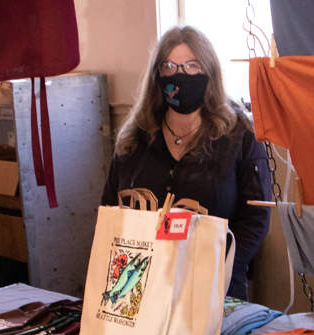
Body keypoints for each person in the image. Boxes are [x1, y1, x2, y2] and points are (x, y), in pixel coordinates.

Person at [101, 25, 272, 301]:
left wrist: (219, 268)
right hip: (142, 290)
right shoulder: (133, 139)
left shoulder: (239, 135)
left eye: (192, 66)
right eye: (169, 67)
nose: (180, 76)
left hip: (215, 291)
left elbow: (256, 218)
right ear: (157, 75)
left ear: (209, 71)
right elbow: (109, 210)